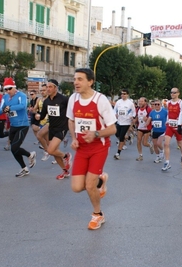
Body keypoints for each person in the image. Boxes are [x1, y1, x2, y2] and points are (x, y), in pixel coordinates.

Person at [67, 68, 116, 230]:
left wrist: (95, 133)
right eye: (75, 79)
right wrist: (74, 138)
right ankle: (101, 180)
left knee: (89, 185)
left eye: (80, 79)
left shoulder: (100, 100)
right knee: (76, 187)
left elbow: (112, 129)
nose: (76, 82)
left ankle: (98, 215)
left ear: (90, 82)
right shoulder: (73, 99)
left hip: (98, 148)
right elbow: (71, 120)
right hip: (81, 148)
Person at [0, 77, 36, 177]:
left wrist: (10, 108)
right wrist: (4, 109)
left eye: (10, 88)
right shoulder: (5, 98)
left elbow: (23, 105)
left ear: (14, 87)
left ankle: (30, 155)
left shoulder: (21, 95)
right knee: (14, 150)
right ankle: (25, 167)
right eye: (6, 89)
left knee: (14, 147)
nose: (8, 91)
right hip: (13, 125)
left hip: (23, 125)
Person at [38, 79, 72, 179]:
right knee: (54, 153)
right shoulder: (46, 101)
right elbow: (42, 115)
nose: (48, 89)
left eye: (50, 87)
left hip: (62, 128)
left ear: (55, 88)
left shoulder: (64, 99)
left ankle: (66, 156)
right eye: (47, 87)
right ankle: (65, 171)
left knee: (50, 150)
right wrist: (37, 116)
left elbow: (72, 109)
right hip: (52, 128)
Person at [162, 87, 182, 171]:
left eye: (174, 92)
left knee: (180, 144)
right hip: (170, 125)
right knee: (166, 144)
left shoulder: (181, 103)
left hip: (178, 126)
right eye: (171, 92)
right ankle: (167, 162)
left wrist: (180, 124)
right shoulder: (168, 103)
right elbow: (167, 113)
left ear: (178, 93)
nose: (172, 94)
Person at [113, 89, 136, 160]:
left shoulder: (130, 103)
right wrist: (115, 114)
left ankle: (118, 153)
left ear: (127, 95)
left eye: (124, 94)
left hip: (126, 122)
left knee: (121, 136)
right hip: (119, 121)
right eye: (122, 94)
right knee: (117, 135)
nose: (123, 95)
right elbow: (114, 110)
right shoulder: (118, 102)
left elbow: (134, 112)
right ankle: (129, 137)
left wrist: (132, 117)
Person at [134, 97, 153, 161]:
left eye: (142, 101)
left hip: (147, 128)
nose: (140, 102)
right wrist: (133, 121)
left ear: (145, 102)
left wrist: (147, 119)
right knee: (138, 141)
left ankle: (150, 145)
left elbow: (152, 118)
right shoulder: (138, 109)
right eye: (139, 101)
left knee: (144, 143)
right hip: (140, 127)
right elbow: (137, 117)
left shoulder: (149, 109)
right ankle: (140, 155)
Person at [149, 99, 168, 163]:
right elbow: (149, 120)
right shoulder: (152, 112)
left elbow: (170, 117)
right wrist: (145, 124)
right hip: (155, 130)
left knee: (159, 143)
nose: (156, 105)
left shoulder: (165, 111)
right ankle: (158, 156)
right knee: (155, 145)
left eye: (158, 104)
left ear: (161, 105)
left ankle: (162, 151)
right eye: (155, 104)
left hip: (163, 130)